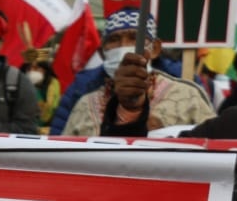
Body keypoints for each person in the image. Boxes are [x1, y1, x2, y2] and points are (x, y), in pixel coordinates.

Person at [62, 9, 213, 137]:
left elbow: (214, 149)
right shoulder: (84, 103)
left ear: (155, 49)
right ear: (102, 52)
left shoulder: (188, 96)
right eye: (114, 39)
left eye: (134, 38)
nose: (123, 47)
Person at [21, 49, 61, 133]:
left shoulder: (53, 84)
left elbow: (52, 109)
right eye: (29, 68)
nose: (32, 71)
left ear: (45, 69)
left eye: (36, 68)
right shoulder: (20, 84)